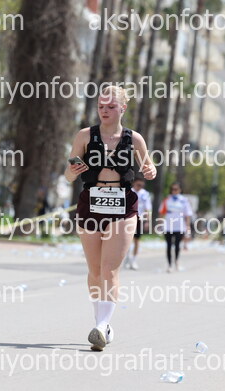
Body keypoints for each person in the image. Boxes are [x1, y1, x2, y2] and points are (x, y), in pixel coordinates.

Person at [64, 85, 156, 351]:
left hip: (123, 205)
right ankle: (101, 324)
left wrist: (150, 170)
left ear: (122, 108)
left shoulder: (134, 139)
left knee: (109, 269)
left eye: (111, 107)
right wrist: (72, 171)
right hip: (91, 203)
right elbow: (68, 175)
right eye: (101, 107)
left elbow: (149, 167)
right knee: (94, 271)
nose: (104, 111)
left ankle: (102, 326)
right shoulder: (85, 136)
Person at [158, 183, 193, 273]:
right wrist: (160, 224)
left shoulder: (184, 200)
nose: (174, 191)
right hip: (168, 226)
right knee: (169, 245)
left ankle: (176, 261)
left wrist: (188, 226)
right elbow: (161, 213)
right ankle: (169, 265)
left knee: (177, 245)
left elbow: (187, 215)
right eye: (173, 189)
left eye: (176, 189)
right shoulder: (167, 200)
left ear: (180, 190)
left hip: (180, 226)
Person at [122, 174, 152, 270]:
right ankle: (126, 258)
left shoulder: (145, 194)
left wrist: (147, 221)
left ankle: (134, 260)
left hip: (139, 218)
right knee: (127, 239)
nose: (139, 187)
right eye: (138, 185)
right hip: (128, 218)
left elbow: (147, 208)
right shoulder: (129, 192)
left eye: (141, 185)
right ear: (134, 183)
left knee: (136, 240)